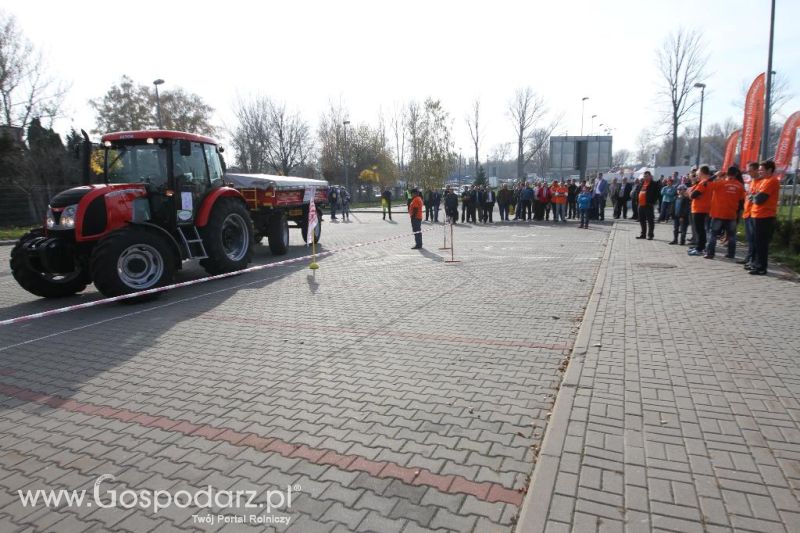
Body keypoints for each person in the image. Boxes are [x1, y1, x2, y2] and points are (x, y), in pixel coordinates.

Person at [704, 167, 745, 259]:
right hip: (731, 214)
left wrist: (715, 175)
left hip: (718, 213)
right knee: (731, 235)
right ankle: (731, 254)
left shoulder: (720, 183)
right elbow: (742, 201)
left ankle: (710, 253)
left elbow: (705, 183)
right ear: (736, 174)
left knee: (713, 234)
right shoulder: (740, 186)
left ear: (727, 173)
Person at [748, 160, 780, 275]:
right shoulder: (764, 181)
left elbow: (759, 199)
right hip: (756, 215)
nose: (759, 172)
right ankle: (755, 264)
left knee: (761, 243)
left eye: (762, 170)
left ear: (770, 170)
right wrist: (753, 197)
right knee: (756, 242)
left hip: (765, 216)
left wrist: (753, 197)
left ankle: (761, 267)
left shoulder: (772, 181)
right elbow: (753, 196)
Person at [687, 166, 713, 256]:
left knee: (700, 230)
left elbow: (694, 195)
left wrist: (690, 193)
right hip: (703, 208)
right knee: (701, 230)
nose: (696, 175)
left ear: (702, 172)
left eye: (697, 173)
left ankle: (700, 248)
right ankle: (700, 247)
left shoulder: (703, 182)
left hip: (699, 209)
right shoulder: (709, 181)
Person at [738, 162, 760, 268]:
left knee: (753, 239)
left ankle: (752, 259)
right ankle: (749, 257)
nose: (748, 172)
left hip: (753, 214)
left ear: (756, 170)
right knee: (749, 239)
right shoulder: (752, 182)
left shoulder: (760, 182)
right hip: (747, 213)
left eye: (750, 170)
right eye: (748, 170)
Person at [636, 171, 658, 240]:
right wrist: (637, 201)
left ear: (650, 176)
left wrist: (652, 202)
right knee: (642, 220)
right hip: (641, 205)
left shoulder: (654, 184)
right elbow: (638, 192)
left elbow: (657, 194)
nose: (645, 177)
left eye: (647, 176)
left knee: (650, 221)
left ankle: (650, 235)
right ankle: (643, 234)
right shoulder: (642, 183)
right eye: (644, 176)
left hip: (648, 205)